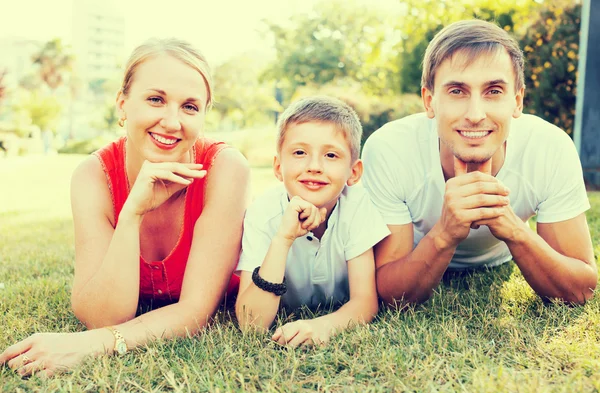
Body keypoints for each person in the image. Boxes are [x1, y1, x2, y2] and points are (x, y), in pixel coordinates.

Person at [0, 38, 250, 376]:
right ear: (123, 104)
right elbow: (104, 316)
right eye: (155, 100)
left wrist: (93, 344)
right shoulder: (93, 175)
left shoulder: (225, 168)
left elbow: (195, 313)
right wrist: (132, 213)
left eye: (190, 107)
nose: (172, 122)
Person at [361, 19, 597, 307]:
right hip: (416, 257)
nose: (475, 114)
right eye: (457, 91)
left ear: (517, 101)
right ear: (429, 102)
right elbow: (390, 295)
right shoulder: (389, 149)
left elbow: (581, 290)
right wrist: (445, 233)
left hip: (501, 259)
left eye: (494, 91)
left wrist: (512, 228)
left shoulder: (550, 147)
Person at [235, 96, 389, 348]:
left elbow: (365, 302)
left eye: (330, 154)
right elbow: (252, 325)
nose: (314, 166)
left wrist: (323, 326)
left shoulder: (358, 206)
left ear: (354, 172)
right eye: (299, 152)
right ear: (277, 167)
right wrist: (283, 239)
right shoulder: (262, 213)